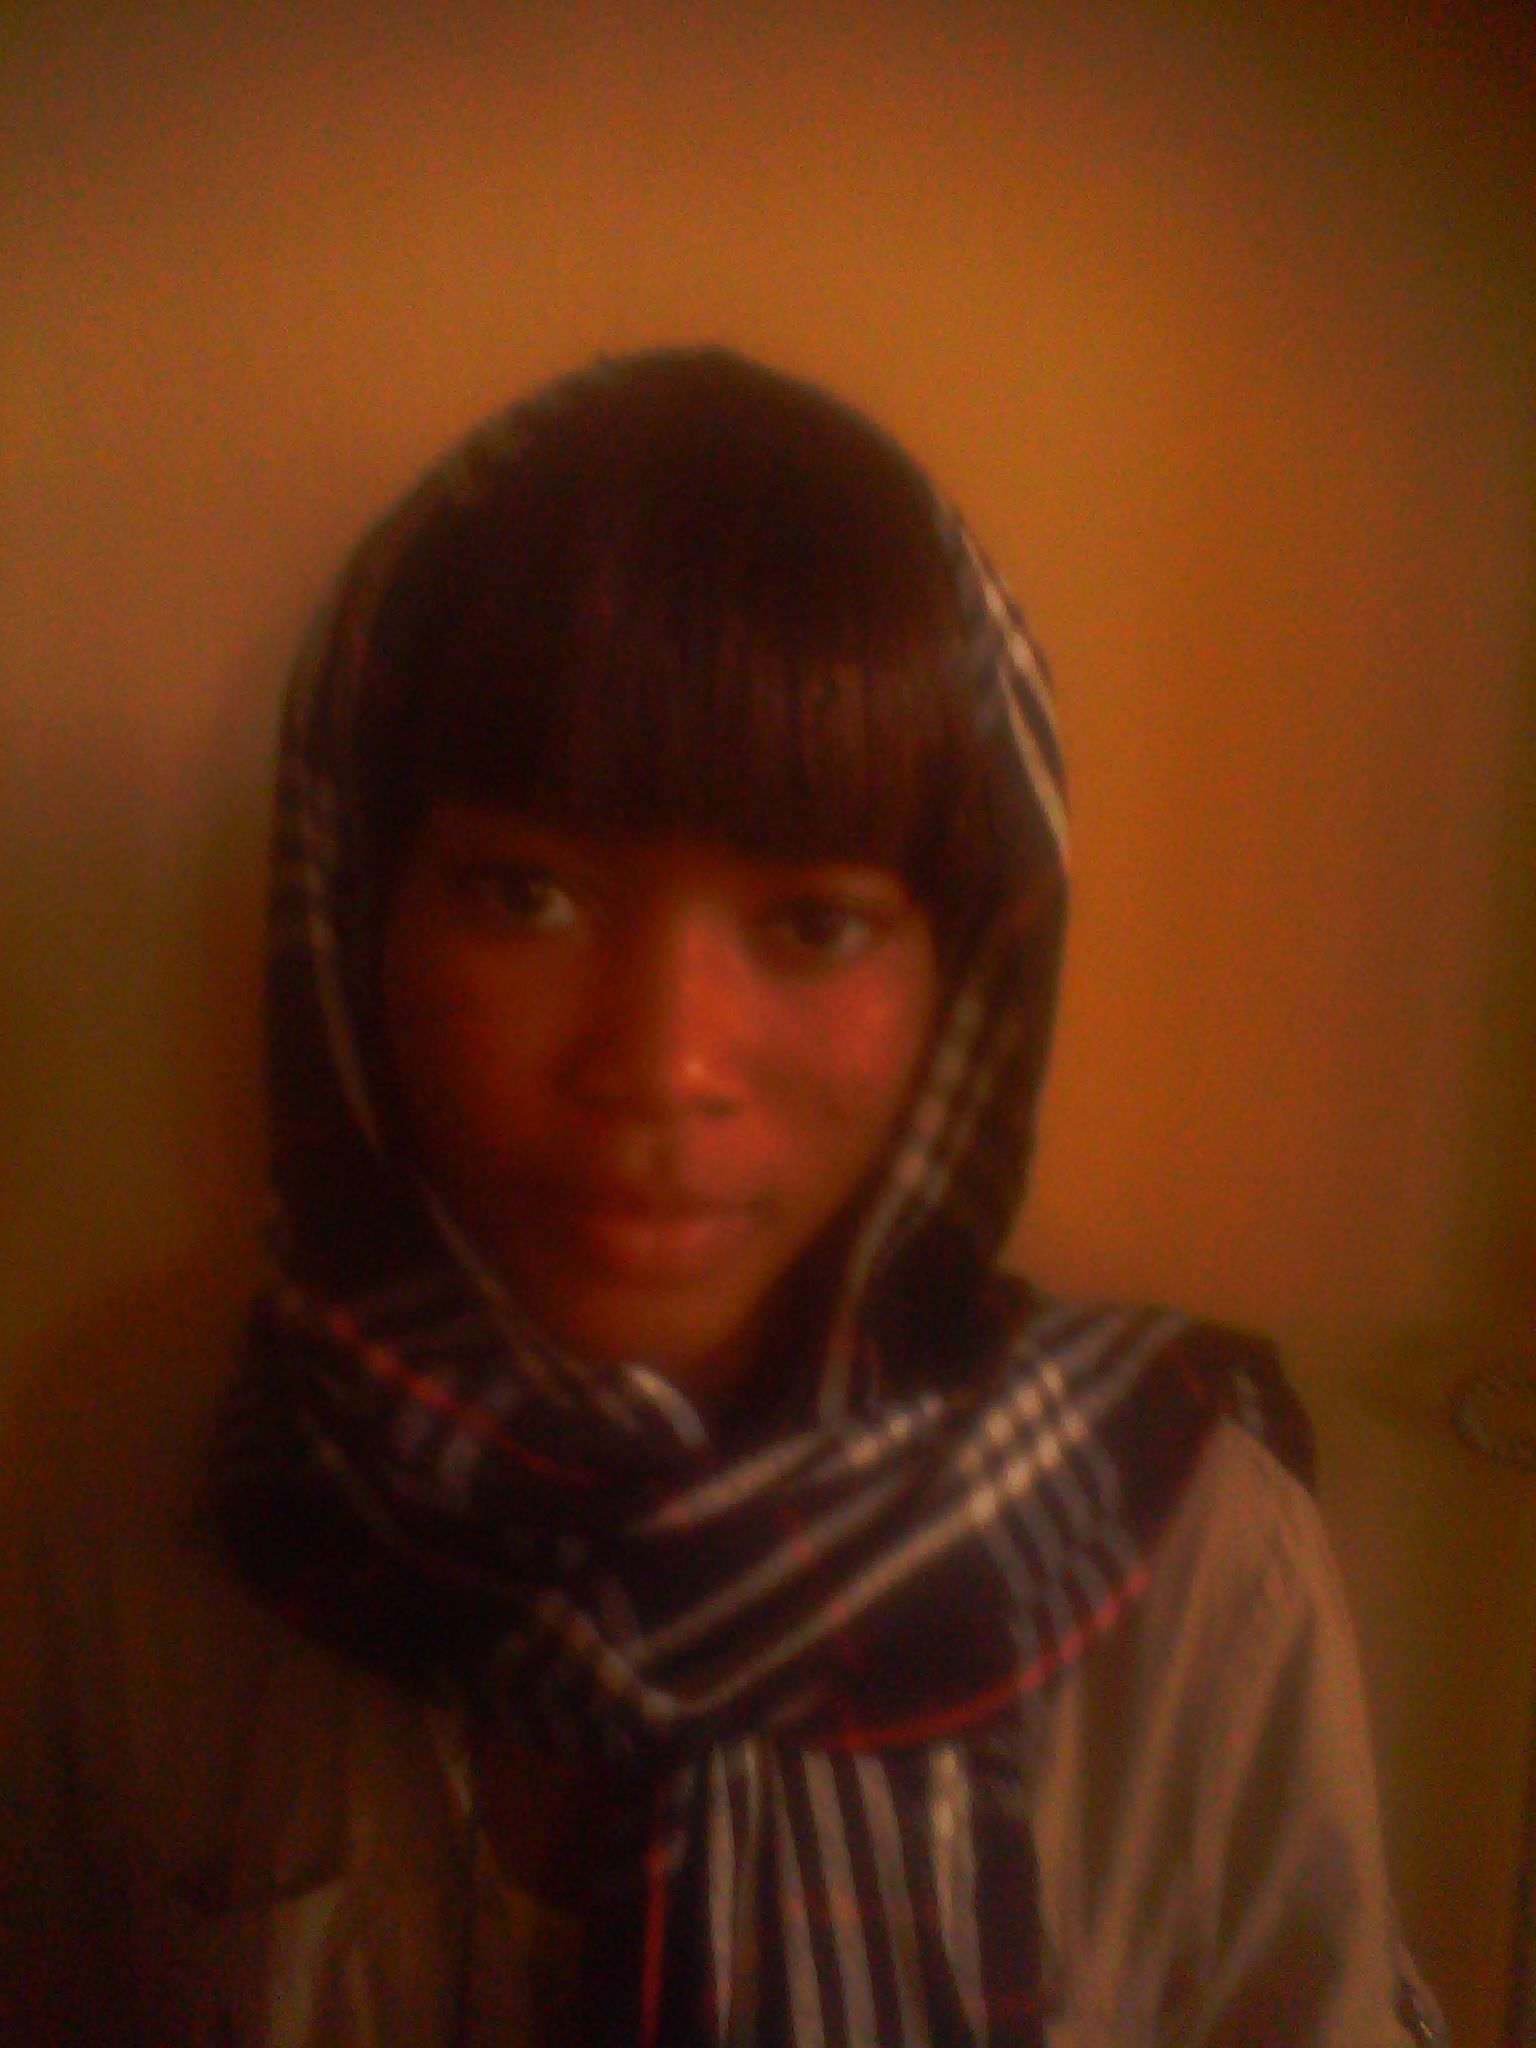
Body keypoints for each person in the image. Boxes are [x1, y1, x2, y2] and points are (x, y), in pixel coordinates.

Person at [2, 348, 1444, 2045]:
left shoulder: (1192, 1569)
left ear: (968, 979)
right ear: (352, 912)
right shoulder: (137, 1524)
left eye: (813, 923)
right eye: (523, 894)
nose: (662, 1064)